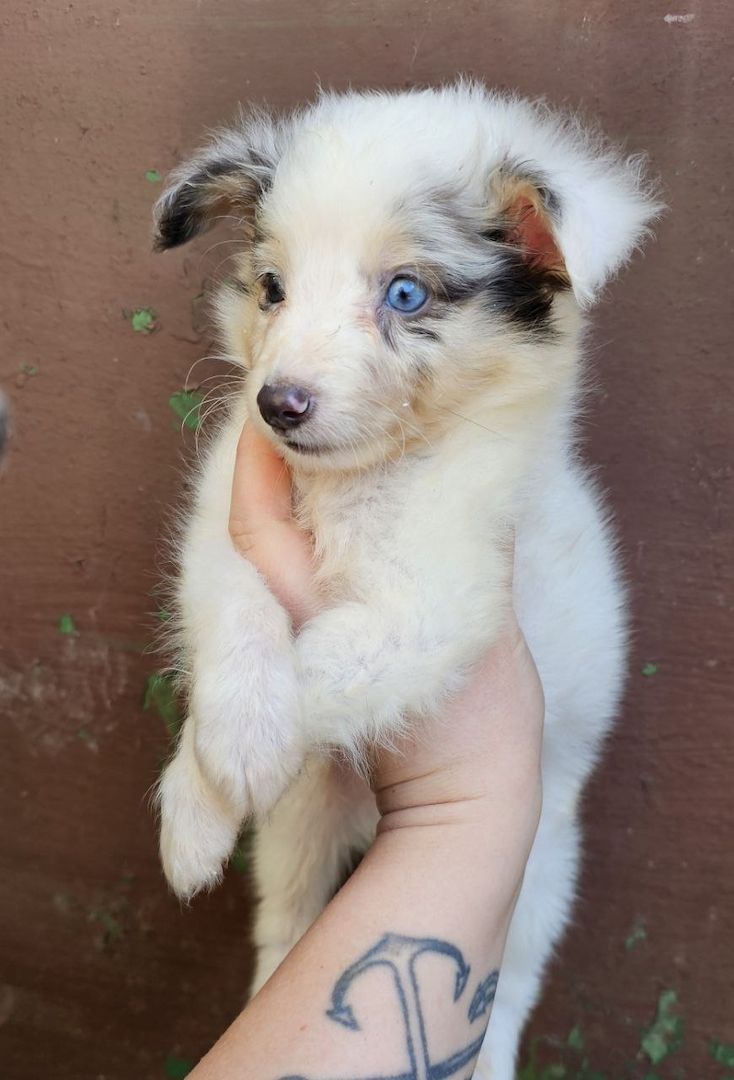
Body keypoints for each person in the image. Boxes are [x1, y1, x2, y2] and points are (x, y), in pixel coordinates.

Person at [189, 425, 545, 1080]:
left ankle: (502, 1025)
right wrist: (469, 799)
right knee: (286, 920)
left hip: (484, 773)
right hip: (462, 787)